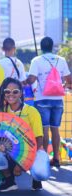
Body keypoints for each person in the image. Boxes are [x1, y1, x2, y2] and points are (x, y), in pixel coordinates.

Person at [0, 77, 45, 192]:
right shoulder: (2, 110)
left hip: (31, 149)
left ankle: (36, 178)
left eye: (15, 91)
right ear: (3, 93)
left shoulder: (32, 112)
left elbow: (39, 139)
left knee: (41, 172)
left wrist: (21, 164)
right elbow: (0, 134)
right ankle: (9, 181)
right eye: (7, 91)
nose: (11, 94)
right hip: (11, 148)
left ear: (21, 93)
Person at [25, 37, 72, 168]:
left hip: (42, 99)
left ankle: (44, 158)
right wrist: (63, 85)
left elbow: (32, 78)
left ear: (41, 47)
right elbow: (69, 79)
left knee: (44, 129)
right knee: (55, 129)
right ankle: (56, 158)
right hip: (58, 99)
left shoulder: (37, 60)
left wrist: (23, 82)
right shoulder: (61, 60)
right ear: (52, 47)